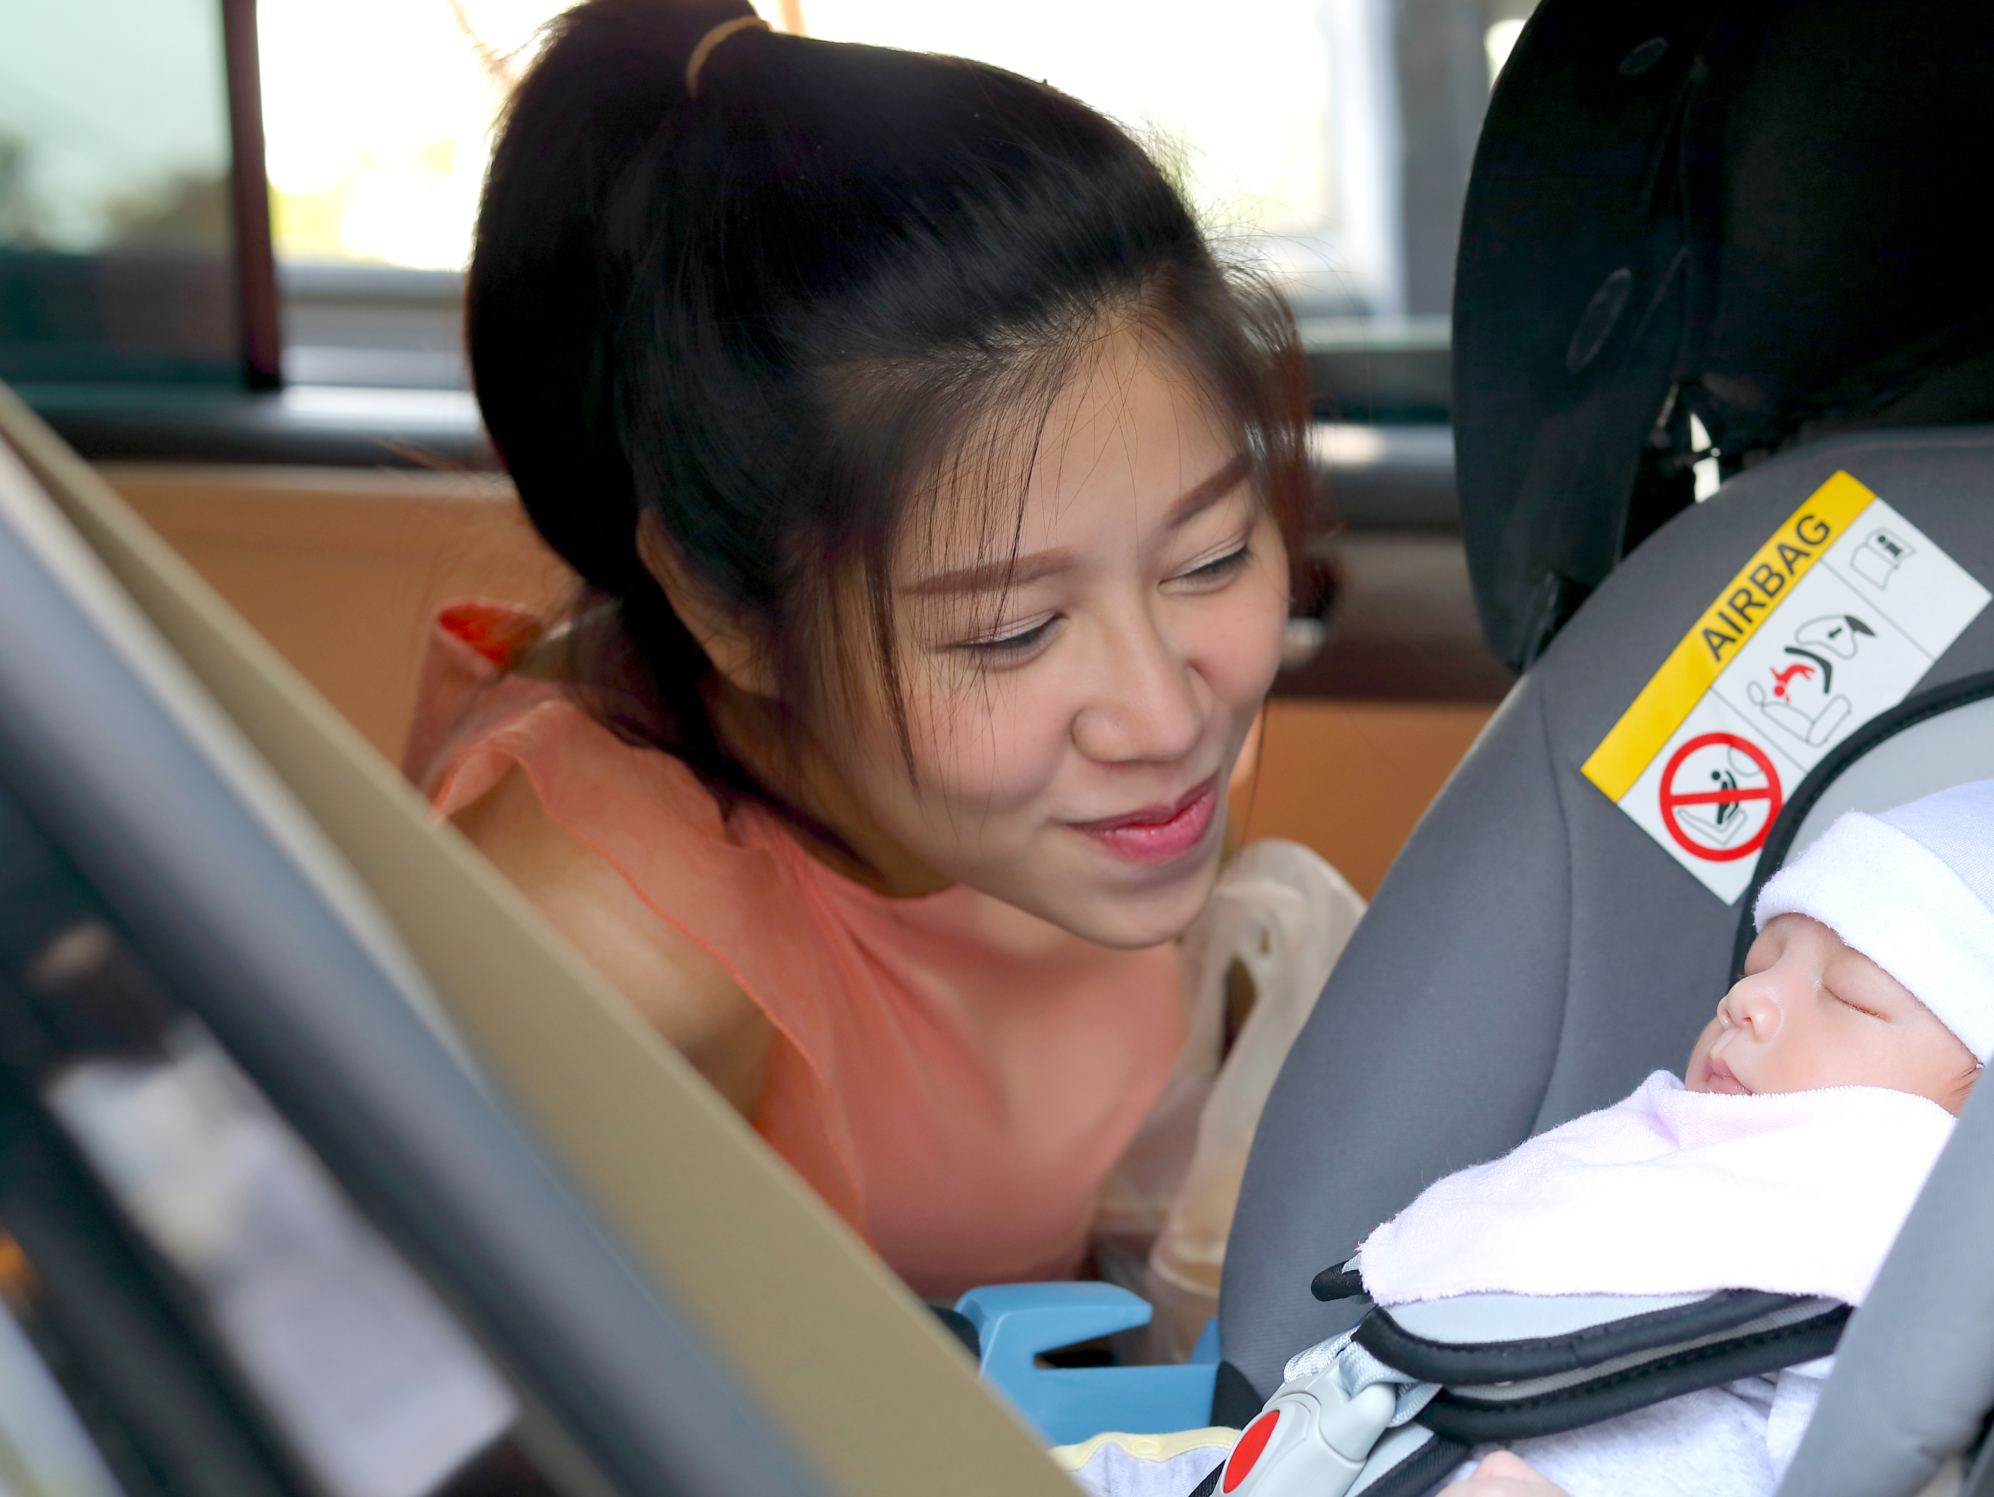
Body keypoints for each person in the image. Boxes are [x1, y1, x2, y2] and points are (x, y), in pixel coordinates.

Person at [403, 0, 1326, 1301]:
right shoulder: (620, 946)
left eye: (1211, 555)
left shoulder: (1088, 746)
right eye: (1013, 631)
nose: (1164, 714)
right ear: (731, 613)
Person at [1062, 779, 1994, 1497]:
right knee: (1056, 1493)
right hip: (1341, 1481)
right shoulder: (1660, 1154)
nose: (1749, 998)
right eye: (1765, 957)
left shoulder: (1903, 1254)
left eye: (1844, 996)